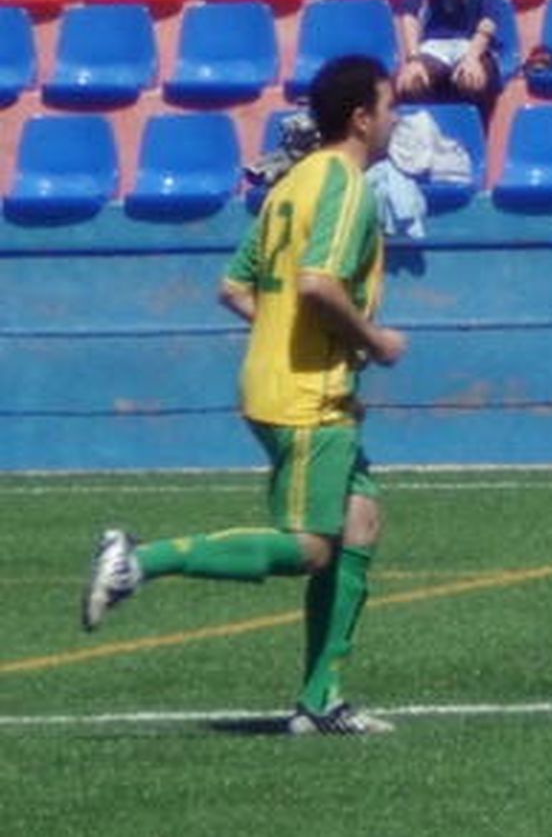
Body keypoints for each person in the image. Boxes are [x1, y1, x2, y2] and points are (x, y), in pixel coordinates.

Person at [81, 54, 407, 737]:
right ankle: (138, 562)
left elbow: (235, 285)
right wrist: (371, 340)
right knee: (313, 548)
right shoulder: (346, 186)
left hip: (283, 380)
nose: (394, 117)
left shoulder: (293, 184)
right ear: (360, 117)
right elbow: (318, 284)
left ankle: (321, 700)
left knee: (361, 520)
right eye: (389, 104)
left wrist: (297, 336)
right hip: (306, 396)